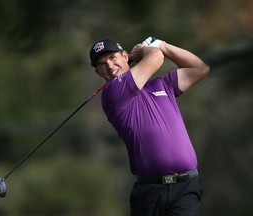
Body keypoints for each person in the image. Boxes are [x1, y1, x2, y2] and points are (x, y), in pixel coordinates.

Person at [89, 37, 210, 216]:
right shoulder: (112, 93)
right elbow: (155, 58)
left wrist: (164, 45)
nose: (109, 65)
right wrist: (146, 50)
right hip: (150, 191)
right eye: (101, 64)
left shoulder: (162, 85)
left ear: (124, 56)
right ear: (99, 72)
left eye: (112, 58)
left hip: (186, 186)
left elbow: (200, 69)